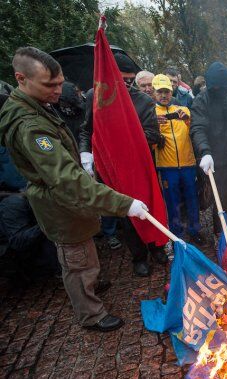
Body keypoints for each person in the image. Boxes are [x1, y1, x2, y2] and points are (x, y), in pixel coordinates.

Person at [0, 46, 149, 331]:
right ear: (21, 78)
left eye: (59, 82)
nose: (59, 90)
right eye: (49, 85)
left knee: (82, 250)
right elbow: (67, 180)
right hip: (60, 201)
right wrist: (123, 204)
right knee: (75, 258)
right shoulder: (28, 125)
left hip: (67, 200)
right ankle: (91, 314)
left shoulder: (36, 104)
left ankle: (89, 284)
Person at [79, 51, 166, 277]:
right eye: (123, 80)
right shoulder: (95, 96)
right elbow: (86, 130)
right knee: (127, 214)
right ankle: (139, 257)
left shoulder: (144, 101)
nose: (127, 85)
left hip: (141, 165)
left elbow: (153, 135)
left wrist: (123, 138)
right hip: (114, 170)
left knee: (151, 207)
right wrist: (85, 153)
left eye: (131, 80)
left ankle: (156, 246)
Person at [190, 62, 227, 231]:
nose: (220, 91)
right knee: (220, 197)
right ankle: (220, 232)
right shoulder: (202, 100)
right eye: (216, 88)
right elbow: (198, 127)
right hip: (216, 158)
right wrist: (205, 152)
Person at [152, 74, 202, 244]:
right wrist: (153, 126)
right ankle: (177, 236)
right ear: (154, 93)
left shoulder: (183, 110)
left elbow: (195, 131)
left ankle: (195, 230)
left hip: (188, 164)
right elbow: (149, 142)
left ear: (172, 91)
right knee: (172, 203)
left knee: (192, 199)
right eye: (160, 92)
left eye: (167, 91)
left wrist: (186, 119)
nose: (164, 95)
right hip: (167, 167)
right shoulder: (152, 114)